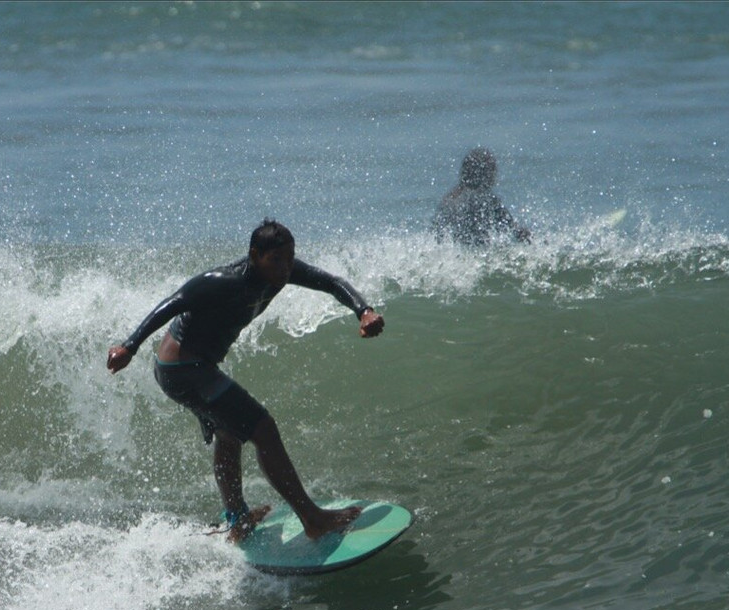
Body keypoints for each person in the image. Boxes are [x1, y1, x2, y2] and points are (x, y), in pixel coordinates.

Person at [106, 220, 385, 542]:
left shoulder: (284, 271)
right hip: (183, 369)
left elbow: (333, 282)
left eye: (290, 258)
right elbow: (174, 302)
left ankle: (238, 519)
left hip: (192, 368)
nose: (285, 268)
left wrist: (363, 311)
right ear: (255, 255)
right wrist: (129, 346)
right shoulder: (224, 280)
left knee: (230, 433)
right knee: (262, 428)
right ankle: (312, 519)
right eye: (276, 260)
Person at [432, 147, 531, 247]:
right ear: (485, 174)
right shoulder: (487, 199)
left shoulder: (449, 199)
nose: (495, 175)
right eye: (493, 170)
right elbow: (513, 230)